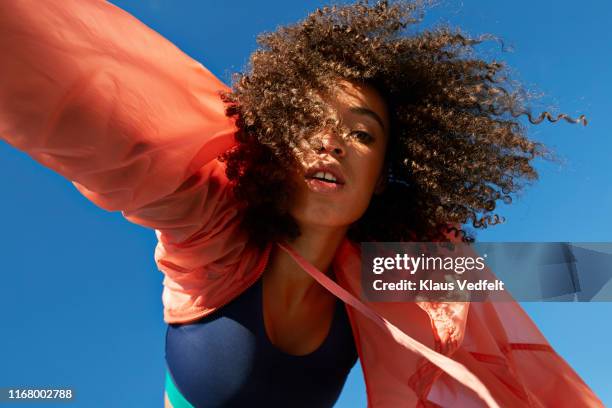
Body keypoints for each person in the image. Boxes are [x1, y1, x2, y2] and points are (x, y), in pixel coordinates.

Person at [0, 0, 602, 407]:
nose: (332, 140)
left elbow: (568, 269)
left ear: (383, 176)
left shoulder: (392, 271)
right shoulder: (212, 230)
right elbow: (81, 90)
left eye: (362, 134)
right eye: (307, 121)